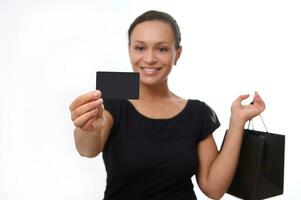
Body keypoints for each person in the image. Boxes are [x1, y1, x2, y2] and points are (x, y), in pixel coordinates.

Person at [69, 10, 265, 200]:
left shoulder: (197, 112)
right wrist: (87, 127)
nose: (150, 58)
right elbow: (88, 150)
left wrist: (237, 121)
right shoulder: (113, 96)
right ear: (129, 49)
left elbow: (213, 189)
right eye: (140, 47)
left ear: (177, 54)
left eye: (161, 48)